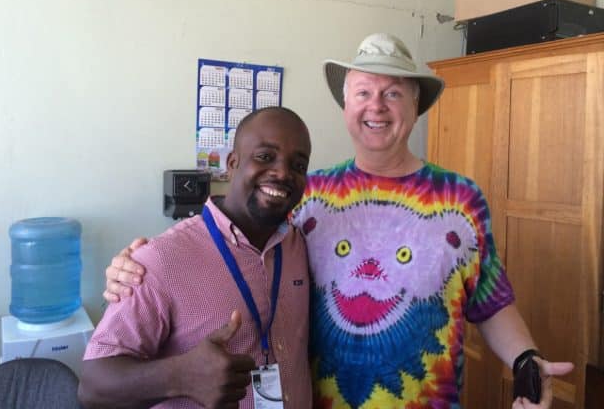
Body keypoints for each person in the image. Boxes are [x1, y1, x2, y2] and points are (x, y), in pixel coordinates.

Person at [103, 34, 574, 409]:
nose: (377, 106)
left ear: (415, 108)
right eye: (363, 92)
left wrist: (525, 357)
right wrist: (134, 267)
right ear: (347, 107)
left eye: (393, 93)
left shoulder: (461, 197)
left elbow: (489, 301)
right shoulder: (308, 196)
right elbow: (240, 245)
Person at [78, 106, 313, 409]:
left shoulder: (301, 244)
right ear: (232, 163)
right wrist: (180, 376)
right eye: (265, 157)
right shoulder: (161, 259)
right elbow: (93, 387)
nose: (283, 173)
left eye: (298, 164)